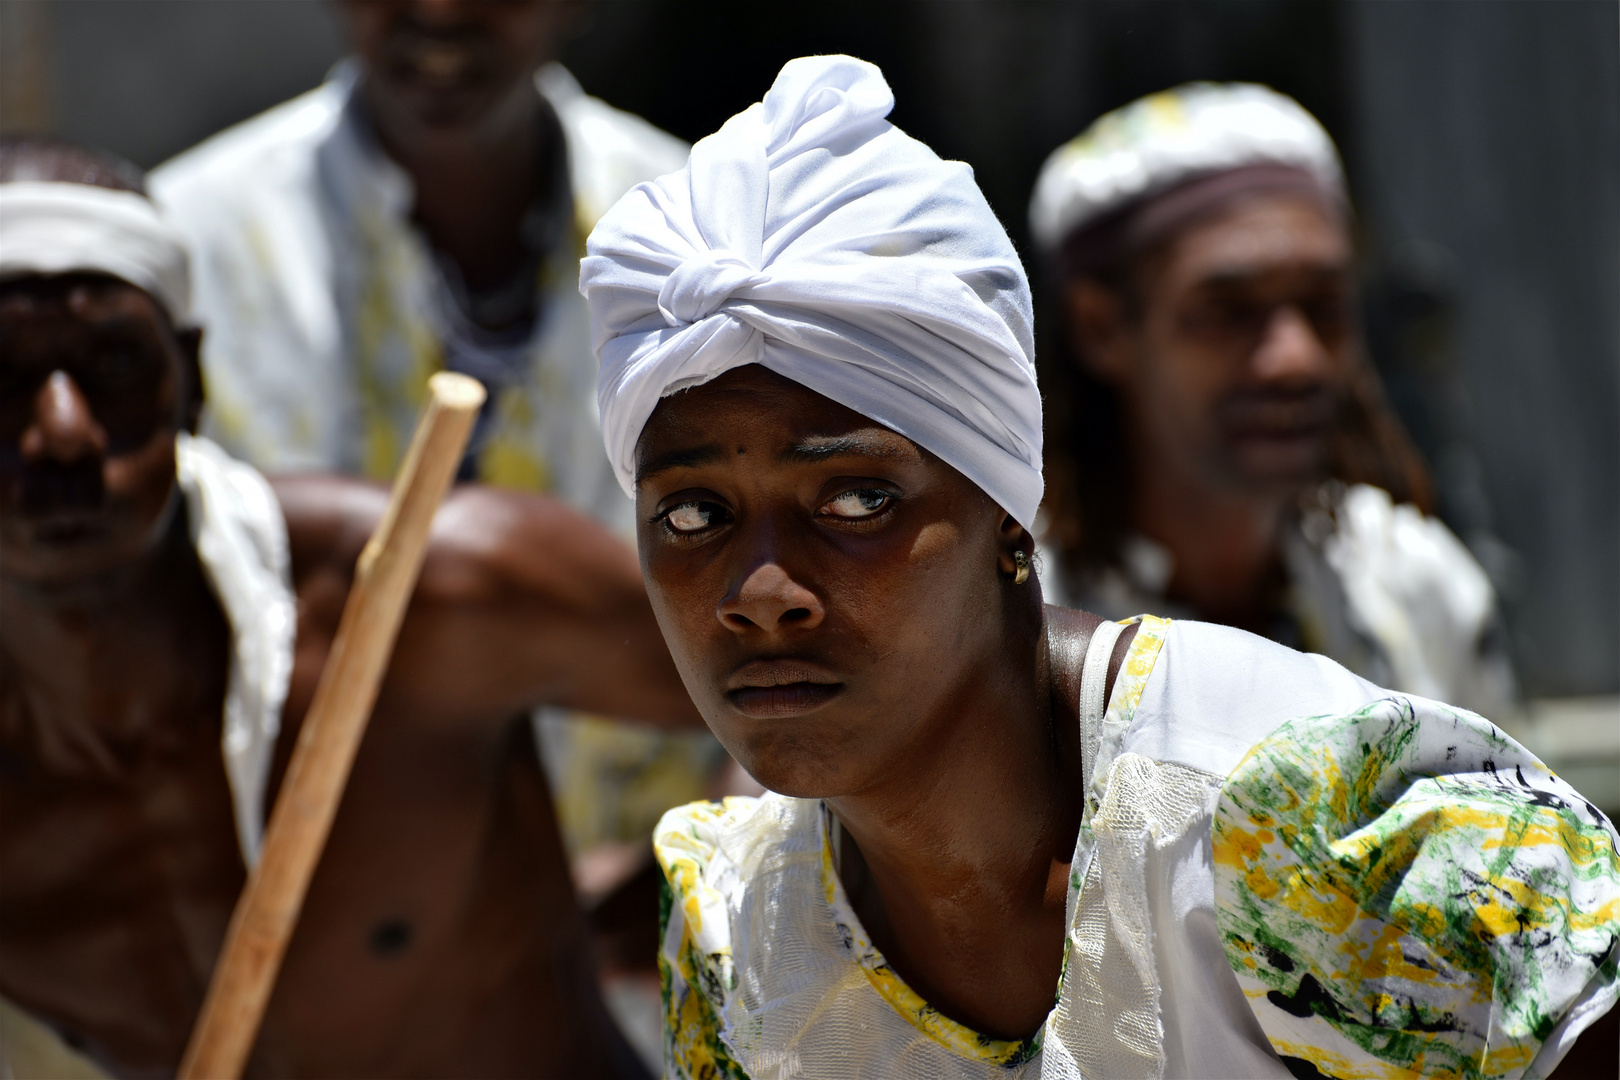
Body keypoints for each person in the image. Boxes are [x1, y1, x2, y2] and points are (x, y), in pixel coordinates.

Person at [578, 56, 1620, 1079]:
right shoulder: (739, 933)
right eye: (693, 511)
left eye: (859, 502)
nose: (762, 594)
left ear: (1009, 517)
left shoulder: (1280, 813)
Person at [0, 142, 699, 1077]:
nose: (62, 432)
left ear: (193, 378)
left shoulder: (431, 596)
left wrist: (719, 876)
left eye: (114, 363)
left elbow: (886, 693)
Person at [150, 0, 717, 868]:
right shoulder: (191, 249)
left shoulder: (713, 244)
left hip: (663, 936)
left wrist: (711, 854)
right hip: (304, 929)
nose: (440, 10)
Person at [1028, 84, 1515, 718]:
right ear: (1102, 328)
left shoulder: (1416, 588)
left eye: (1323, 307)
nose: (1296, 358)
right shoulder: (1012, 618)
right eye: (1227, 312)